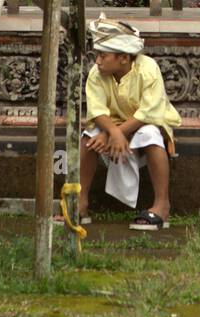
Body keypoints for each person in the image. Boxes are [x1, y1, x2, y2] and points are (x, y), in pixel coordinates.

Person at [76, 15, 183, 230]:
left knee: (151, 135)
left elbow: (149, 112)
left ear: (124, 58)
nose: (97, 61)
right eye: (97, 55)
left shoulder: (148, 68)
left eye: (103, 56)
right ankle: (80, 202)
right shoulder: (97, 74)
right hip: (112, 125)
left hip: (146, 124)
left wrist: (115, 133)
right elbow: (97, 111)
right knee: (89, 138)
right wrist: (112, 132)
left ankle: (162, 205)